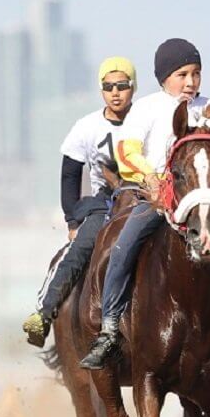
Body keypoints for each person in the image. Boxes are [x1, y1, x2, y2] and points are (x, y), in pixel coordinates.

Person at [78, 38, 210, 372]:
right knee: (122, 248)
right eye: (182, 74)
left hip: (207, 201)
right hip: (157, 201)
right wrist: (154, 179)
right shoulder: (148, 109)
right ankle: (109, 327)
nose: (191, 81)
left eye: (196, 73)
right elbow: (127, 153)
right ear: (164, 77)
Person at [22, 57, 137, 347]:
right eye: (108, 86)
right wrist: (72, 221)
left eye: (121, 85)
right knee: (81, 247)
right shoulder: (86, 127)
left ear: (132, 88)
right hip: (106, 204)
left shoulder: (147, 119)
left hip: (145, 199)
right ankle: (44, 313)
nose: (115, 92)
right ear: (101, 90)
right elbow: (69, 176)